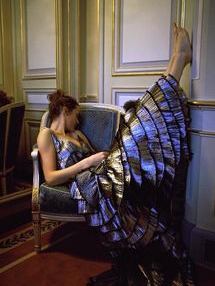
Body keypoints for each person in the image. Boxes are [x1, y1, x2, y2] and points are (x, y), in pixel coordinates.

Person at [37, 23, 194, 286]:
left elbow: (99, 154)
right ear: (65, 109)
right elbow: (51, 178)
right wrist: (87, 161)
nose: (79, 119)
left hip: (103, 171)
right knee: (136, 130)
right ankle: (177, 63)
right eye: (76, 114)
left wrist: (108, 156)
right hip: (86, 183)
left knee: (137, 134)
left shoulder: (77, 135)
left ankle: (175, 64)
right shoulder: (46, 135)